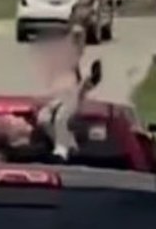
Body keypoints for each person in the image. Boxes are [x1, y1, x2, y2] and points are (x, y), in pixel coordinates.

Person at [33, 24, 103, 161]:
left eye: (79, 41)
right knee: (46, 118)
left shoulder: (84, 62)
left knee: (61, 118)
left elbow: (84, 86)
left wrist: (88, 83)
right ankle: (65, 146)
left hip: (72, 99)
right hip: (60, 99)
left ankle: (62, 149)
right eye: (74, 40)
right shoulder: (64, 59)